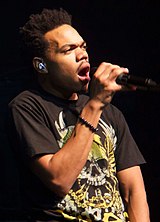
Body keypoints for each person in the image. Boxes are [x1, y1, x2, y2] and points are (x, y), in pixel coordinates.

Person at [7, 7, 150, 222]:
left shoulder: (110, 112)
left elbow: (132, 190)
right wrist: (95, 104)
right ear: (41, 65)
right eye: (68, 49)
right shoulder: (27, 106)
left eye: (83, 47)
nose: (82, 54)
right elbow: (59, 179)